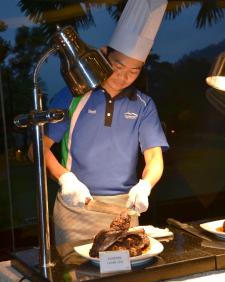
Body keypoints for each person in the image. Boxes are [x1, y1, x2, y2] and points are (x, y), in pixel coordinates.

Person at [29, 0, 169, 245]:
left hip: (124, 210)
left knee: (126, 275)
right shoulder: (74, 94)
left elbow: (154, 157)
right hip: (77, 208)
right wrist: (65, 179)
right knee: (77, 277)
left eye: (134, 70)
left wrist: (145, 185)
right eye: (118, 66)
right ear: (104, 54)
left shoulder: (144, 105)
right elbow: (37, 149)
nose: (124, 77)